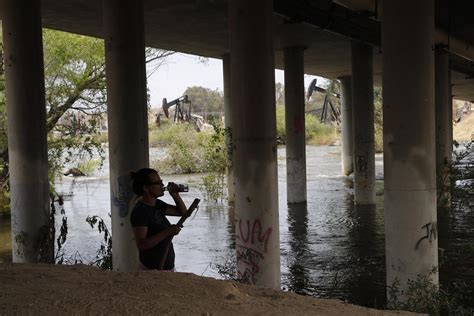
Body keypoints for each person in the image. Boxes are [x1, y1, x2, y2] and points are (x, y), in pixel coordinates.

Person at [130, 168, 187, 271]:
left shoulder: (157, 204)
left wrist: (175, 195)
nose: (162, 185)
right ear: (146, 188)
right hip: (152, 270)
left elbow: (182, 213)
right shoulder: (140, 212)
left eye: (161, 182)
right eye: (158, 183)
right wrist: (168, 231)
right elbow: (142, 245)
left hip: (167, 266)